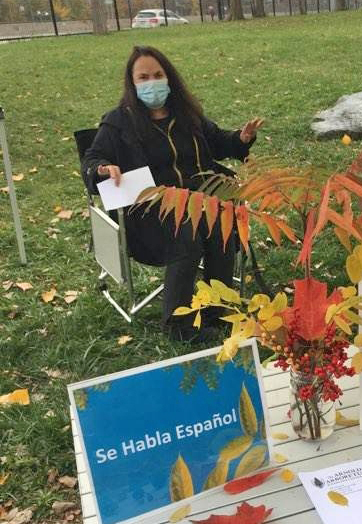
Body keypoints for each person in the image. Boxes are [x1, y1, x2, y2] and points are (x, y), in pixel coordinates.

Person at [81, 45, 263, 342]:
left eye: (157, 74)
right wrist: (102, 168)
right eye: (143, 77)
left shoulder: (188, 116)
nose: (151, 82)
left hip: (200, 201)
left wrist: (241, 139)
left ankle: (220, 309)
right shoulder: (118, 122)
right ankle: (177, 325)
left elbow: (218, 142)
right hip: (149, 214)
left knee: (222, 226)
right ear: (133, 83)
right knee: (187, 232)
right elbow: (91, 159)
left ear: (169, 77)